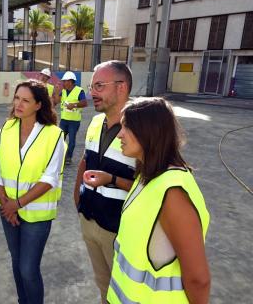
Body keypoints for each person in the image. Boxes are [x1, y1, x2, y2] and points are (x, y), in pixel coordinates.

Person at [107, 97, 210, 303]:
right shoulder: (147, 176)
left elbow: (198, 279)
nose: (119, 134)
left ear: (148, 132)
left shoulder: (173, 194)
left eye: (127, 127)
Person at [0, 80, 66, 304]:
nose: (18, 104)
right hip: (7, 211)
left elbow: (50, 178)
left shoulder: (54, 135)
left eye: (25, 100)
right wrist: (6, 204)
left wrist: (17, 204)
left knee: (28, 269)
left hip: (37, 216)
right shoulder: (6, 129)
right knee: (16, 263)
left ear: (38, 105)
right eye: (16, 98)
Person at [73, 61, 136, 303]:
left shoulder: (142, 126)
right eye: (92, 86)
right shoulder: (97, 121)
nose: (92, 93)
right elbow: (86, 158)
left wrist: (112, 180)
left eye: (99, 86)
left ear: (121, 87)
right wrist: (77, 196)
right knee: (103, 285)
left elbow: (152, 186)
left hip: (119, 229)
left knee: (124, 292)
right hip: (89, 219)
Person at [52, 71, 88, 165]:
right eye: (63, 81)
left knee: (71, 141)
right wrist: (56, 92)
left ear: (71, 82)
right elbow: (56, 102)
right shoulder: (63, 91)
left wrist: (74, 105)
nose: (63, 83)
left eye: (65, 81)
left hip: (74, 121)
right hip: (64, 121)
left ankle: (68, 157)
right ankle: (59, 157)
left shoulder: (79, 91)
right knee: (60, 140)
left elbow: (84, 103)